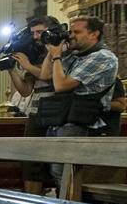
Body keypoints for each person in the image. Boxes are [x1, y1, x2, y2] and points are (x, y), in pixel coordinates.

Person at [45, 16, 118, 182]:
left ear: (94, 34)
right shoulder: (77, 56)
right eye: (70, 32)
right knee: (58, 174)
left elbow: (61, 85)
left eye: (77, 32)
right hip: (64, 119)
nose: (71, 36)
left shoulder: (103, 57)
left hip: (83, 123)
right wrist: (53, 48)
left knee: (67, 176)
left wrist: (56, 56)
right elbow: (46, 74)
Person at [7, 17, 54, 194]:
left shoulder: (60, 51)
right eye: (33, 32)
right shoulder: (35, 55)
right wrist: (11, 68)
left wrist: (27, 65)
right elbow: (26, 90)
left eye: (40, 32)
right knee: (30, 160)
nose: (36, 37)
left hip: (56, 110)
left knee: (54, 163)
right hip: (36, 110)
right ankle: (32, 203)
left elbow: (48, 75)